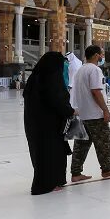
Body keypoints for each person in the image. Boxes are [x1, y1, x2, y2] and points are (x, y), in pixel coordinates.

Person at [23, 52, 75, 195]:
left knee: (41, 153)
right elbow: (57, 99)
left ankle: (52, 181)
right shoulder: (52, 78)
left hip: (35, 124)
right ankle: (47, 184)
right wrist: (70, 111)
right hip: (49, 125)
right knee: (51, 154)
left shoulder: (35, 78)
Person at [69, 45, 110, 182]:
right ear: (95, 55)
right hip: (94, 115)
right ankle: (106, 170)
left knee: (80, 145)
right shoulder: (94, 70)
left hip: (80, 113)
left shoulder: (80, 70)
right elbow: (96, 91)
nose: (102, 57)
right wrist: (105, 110)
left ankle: (75, 173)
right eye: (101, 54)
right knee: (104, 142)